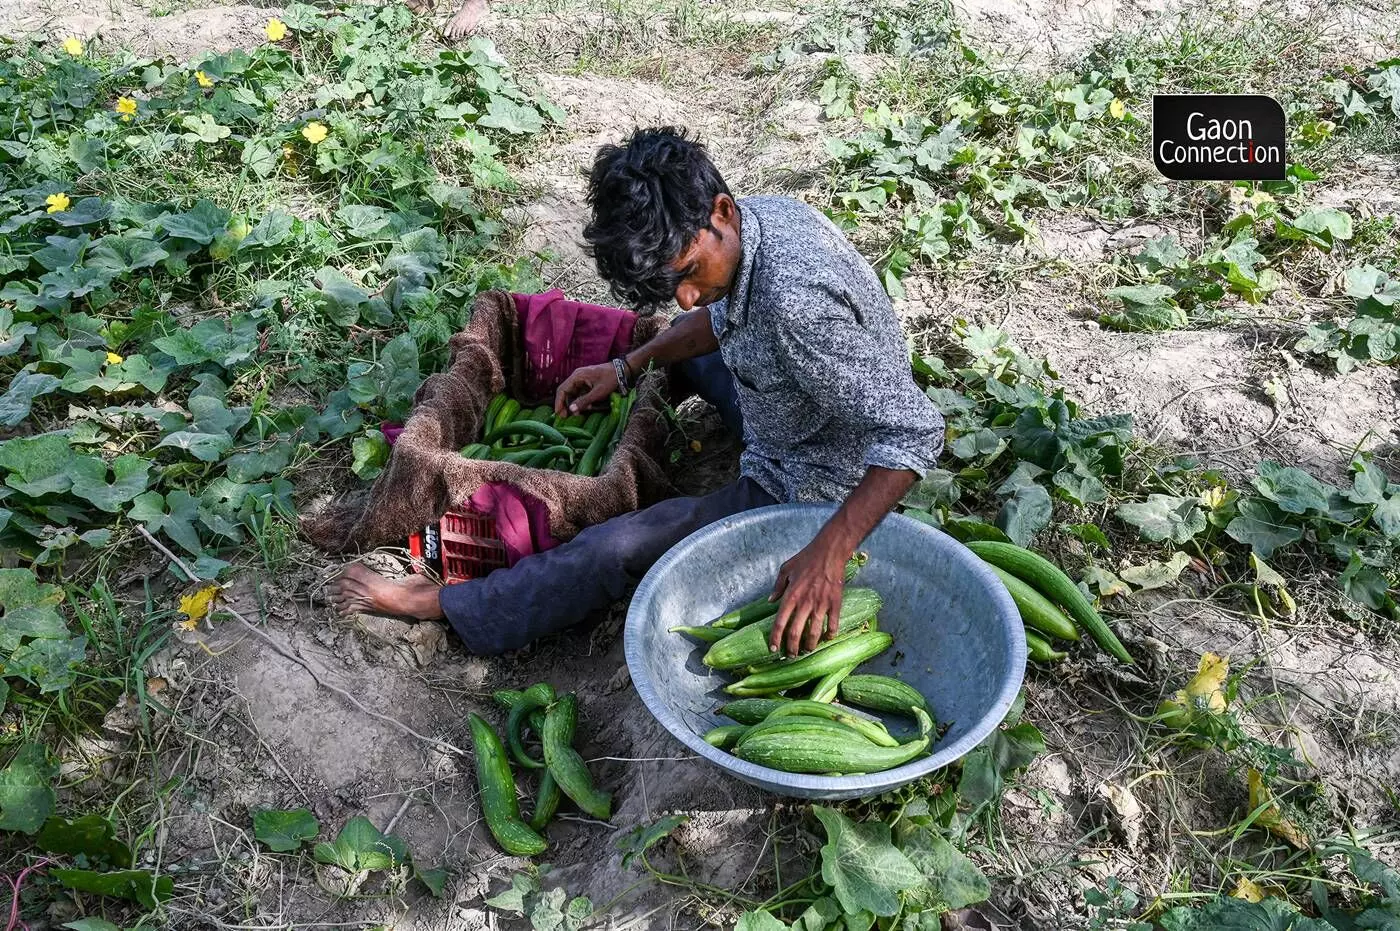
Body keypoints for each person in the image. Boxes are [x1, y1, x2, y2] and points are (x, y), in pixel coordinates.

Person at [327, 127, 945, 657]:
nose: (683, 297)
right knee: (685, 337)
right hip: (786, 402)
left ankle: (449, 603)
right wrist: (625, 367)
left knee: (614, 548)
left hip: (815, 478)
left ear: (722, 213)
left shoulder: (796, 303)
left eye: (686, 276)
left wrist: (829, 552)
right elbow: (717, 321)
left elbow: (913, 432)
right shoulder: (751, 226)